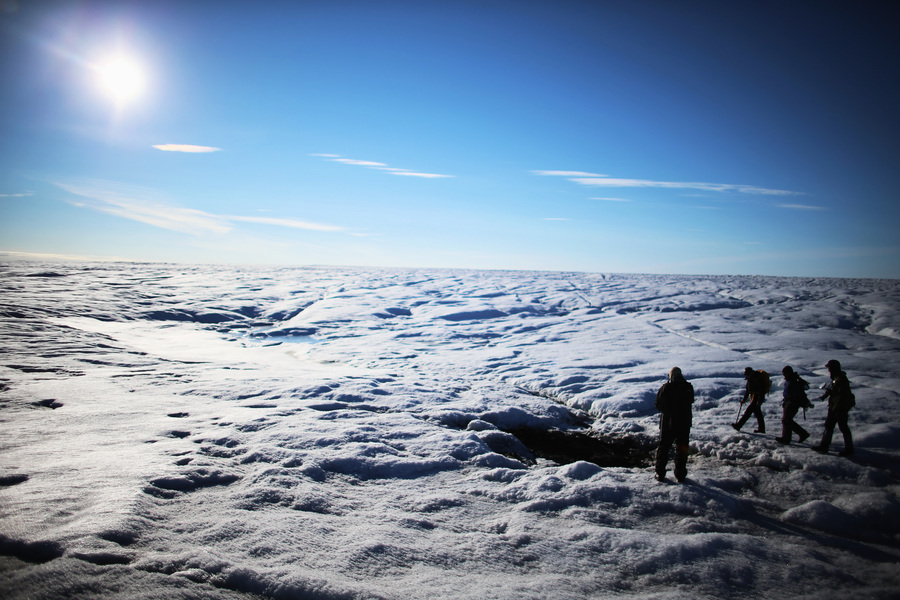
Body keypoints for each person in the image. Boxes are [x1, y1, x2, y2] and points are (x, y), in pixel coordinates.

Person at [655, 367, 694, 482]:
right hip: (684, 423)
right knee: (682, 449)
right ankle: (680, 474)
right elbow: (691, 400)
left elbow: (658, 405)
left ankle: (660, 473)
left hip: (669, 423)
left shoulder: (666, 388)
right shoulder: (688, 387)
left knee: (664, 449)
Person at [812, 359, 855, 456]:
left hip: (839, 407)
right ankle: (824, 446)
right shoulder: (837, 378)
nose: (828, 370)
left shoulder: (840, 380)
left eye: (829, 368)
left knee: (843, 427)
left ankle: (849, 449)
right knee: (829, 425)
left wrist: (836, 406)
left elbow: (841, 395)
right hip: (835, 406)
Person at [775, 366, 811, 445]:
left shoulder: (794, 381)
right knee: (787, 420)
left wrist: (791, 400)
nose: (784, 375)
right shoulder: (791, 380)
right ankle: (790, 437)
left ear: (788, 373)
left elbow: (796, 394)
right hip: (789, 402)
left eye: (784, 374)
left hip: (793, 403)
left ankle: (793, 436)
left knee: (786, 420)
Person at [732, 367, 769, 434]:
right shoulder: (750, 379)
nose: (747, 376)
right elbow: (748, 390)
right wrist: (744, 399)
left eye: (747, 374)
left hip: (757, 397)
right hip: (754, 397)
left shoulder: (757, 378)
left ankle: (739, 425)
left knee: (748, 412)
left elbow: (762, 391)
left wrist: (759, 401)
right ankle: (761, 429)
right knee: (758, 413)